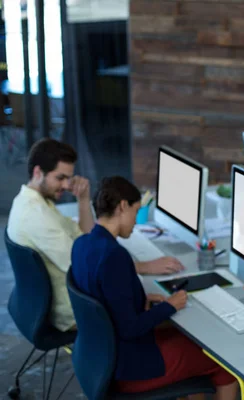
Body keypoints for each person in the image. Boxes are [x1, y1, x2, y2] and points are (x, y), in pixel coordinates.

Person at [71, 177, 238, 399]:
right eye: (135, 211)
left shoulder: (82, 243)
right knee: (223, 361)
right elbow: (130, 328)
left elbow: (102, 297)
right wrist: (170, 306)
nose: (136, 222)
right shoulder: (114, 256)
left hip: (97, 359)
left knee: (193, 347)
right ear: (122, 206)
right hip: (129, 369)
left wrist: (136, 299)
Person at [6, 139, 184, 332]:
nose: (66, 185)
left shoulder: (31, 203)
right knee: (176, 318)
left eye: (69, 178)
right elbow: (85, 264)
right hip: (77, 312)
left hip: (64, 302)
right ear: (38, 172)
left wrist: (83, 200)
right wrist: (143, 267)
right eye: (60, 178)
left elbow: (86, 237)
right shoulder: (36, 217)